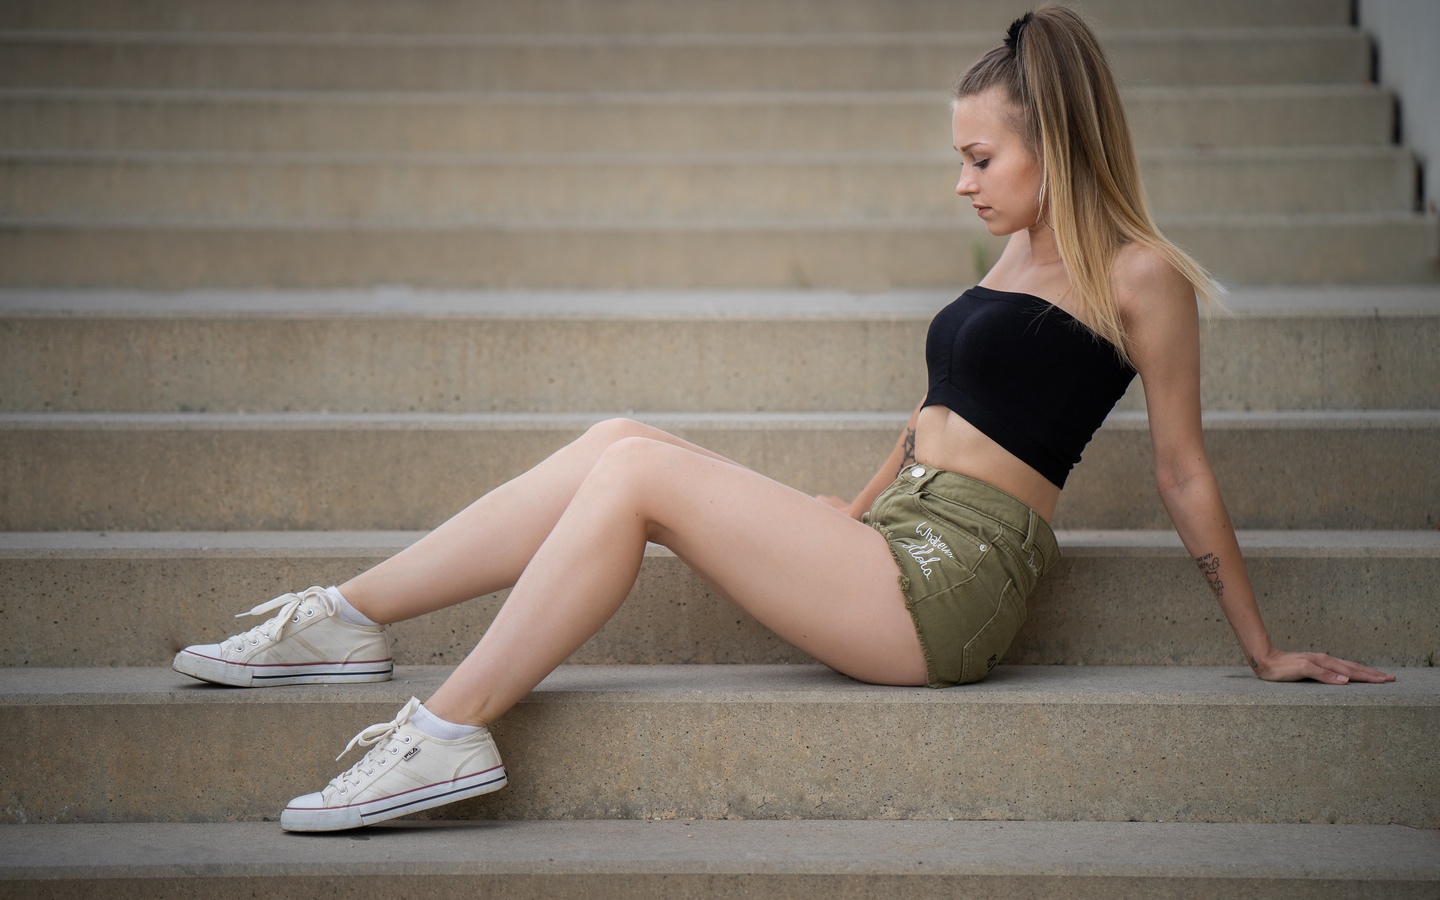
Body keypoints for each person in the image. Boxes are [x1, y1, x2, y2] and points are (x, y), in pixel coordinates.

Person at [172, 6, 1394, 833]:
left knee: (636, 482)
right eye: (958, 158)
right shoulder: (1017, 254)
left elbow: (1182, 473)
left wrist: (1261, 646)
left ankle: (450, 731)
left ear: (1053, 144)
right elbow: (934, 415)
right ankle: (348, 618)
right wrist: (848, 512)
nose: (959, 181)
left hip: (958, 583)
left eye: (979, 157)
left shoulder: (1139, 277)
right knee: (618, 440)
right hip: (898, 537)